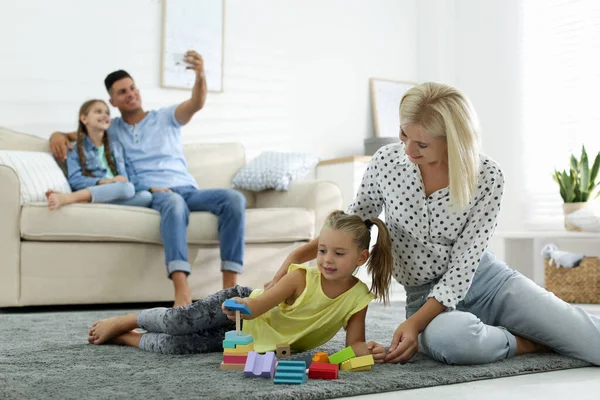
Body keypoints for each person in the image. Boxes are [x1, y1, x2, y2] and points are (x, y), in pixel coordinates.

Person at [265, 82, 600, 366]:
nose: (408, 149)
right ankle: (527, 343)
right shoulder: (387, 162)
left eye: (421, 144)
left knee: (584, 337)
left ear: (454, 141)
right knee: (454, 341)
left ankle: (517, 331)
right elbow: (352, 223)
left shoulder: (488, 177)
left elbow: (465, 263)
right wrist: (297, 257)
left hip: (489, 284)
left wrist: (414, 326)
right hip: (423, 298)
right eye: (403, 135)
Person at [49, 51, 246, 308]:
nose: (130, 93)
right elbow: (81, 132)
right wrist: (56, 135)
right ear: (113, 100)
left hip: (188, 189)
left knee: (234, 199)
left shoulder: (165, 117)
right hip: (157, 194)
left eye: (132, 88)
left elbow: (196, 103)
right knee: (173, 203)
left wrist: (200, 74)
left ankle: (229, 292)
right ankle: (182, 293)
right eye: (122, 92)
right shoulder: (113, 128)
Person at [86, 210, 393, 358]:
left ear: (361, 257)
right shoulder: (301, 277)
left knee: (176, 348)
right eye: (322, 250)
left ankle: (125, 337)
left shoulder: (358, 298)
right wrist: (243, 307)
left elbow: (353, 343)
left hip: (250, 341)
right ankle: (128, 319)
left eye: (338, 254)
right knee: (180, 321)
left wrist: (369, 351)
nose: (326, 259)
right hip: (243, 306)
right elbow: (257, 306)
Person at [46, 99, 152, 210]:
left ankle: (88, 202)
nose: (105, 115)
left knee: (146, 196)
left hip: (120, 192)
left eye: (107, 113)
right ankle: (68, 198)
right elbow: (75, 180)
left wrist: (151, 188)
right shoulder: (75, 148)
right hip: (105, 188)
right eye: (98, 111)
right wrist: (105, 181)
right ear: (84, 119)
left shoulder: (116, 147)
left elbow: (131, 177)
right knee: (127, 188)